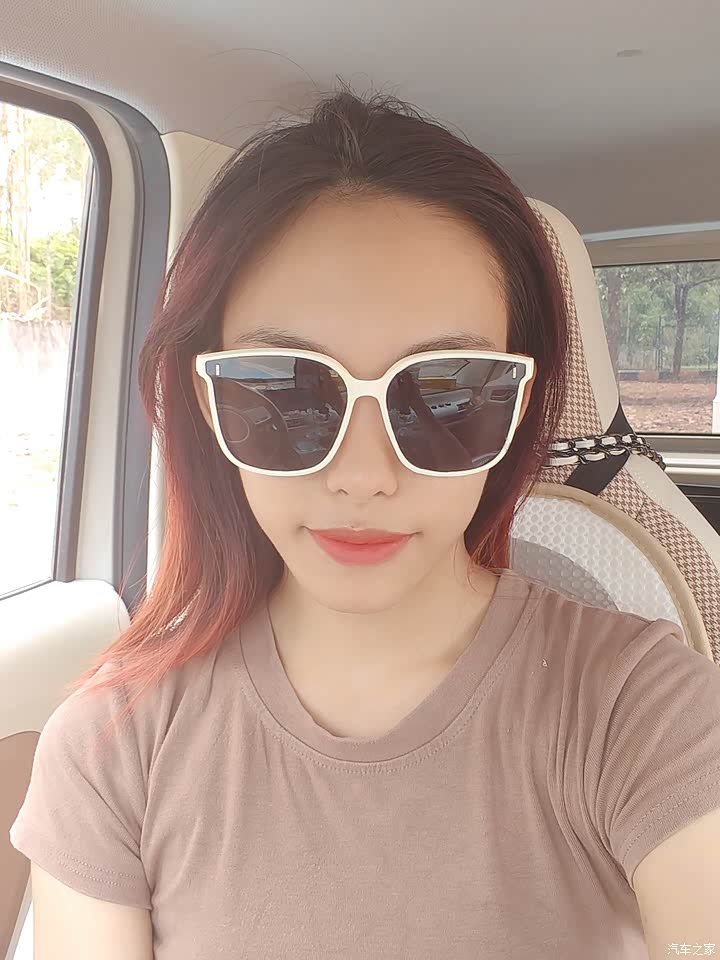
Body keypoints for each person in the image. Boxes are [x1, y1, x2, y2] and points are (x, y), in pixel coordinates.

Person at [10, 85, 720, 960]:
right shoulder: (111, 745)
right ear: (206, 402)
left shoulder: (641, 707)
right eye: (284, 392)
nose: (363, 477)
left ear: (518, 408)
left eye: (447, 395)